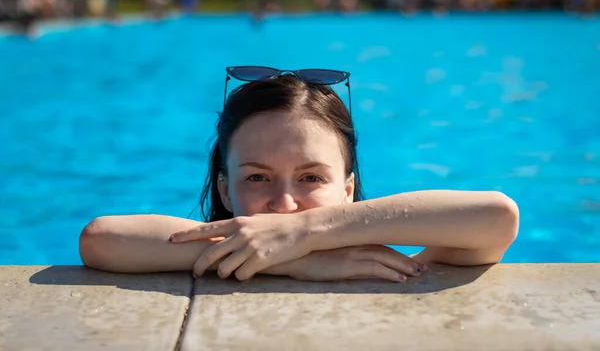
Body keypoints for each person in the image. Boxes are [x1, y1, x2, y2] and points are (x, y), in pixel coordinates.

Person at [80, 67, 519, 282]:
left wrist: (307, 232)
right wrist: (305, 261)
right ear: (225, 191)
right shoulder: (223, 246)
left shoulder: (378, 263)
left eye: (311, 178)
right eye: (256, 178)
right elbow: (101, 238)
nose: (284, 204)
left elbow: (497, 216)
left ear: (348, 189)